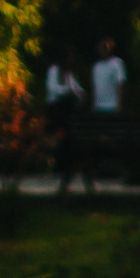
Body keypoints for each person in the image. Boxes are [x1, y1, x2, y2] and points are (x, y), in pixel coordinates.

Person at [44, 52, 87, 195]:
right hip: (56, 111)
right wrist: (67, 91)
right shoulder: (54, 71)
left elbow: (78, 90)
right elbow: (53, 89)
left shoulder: (69, 75)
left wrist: (78, 93)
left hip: (66, 114)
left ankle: (65, 167)